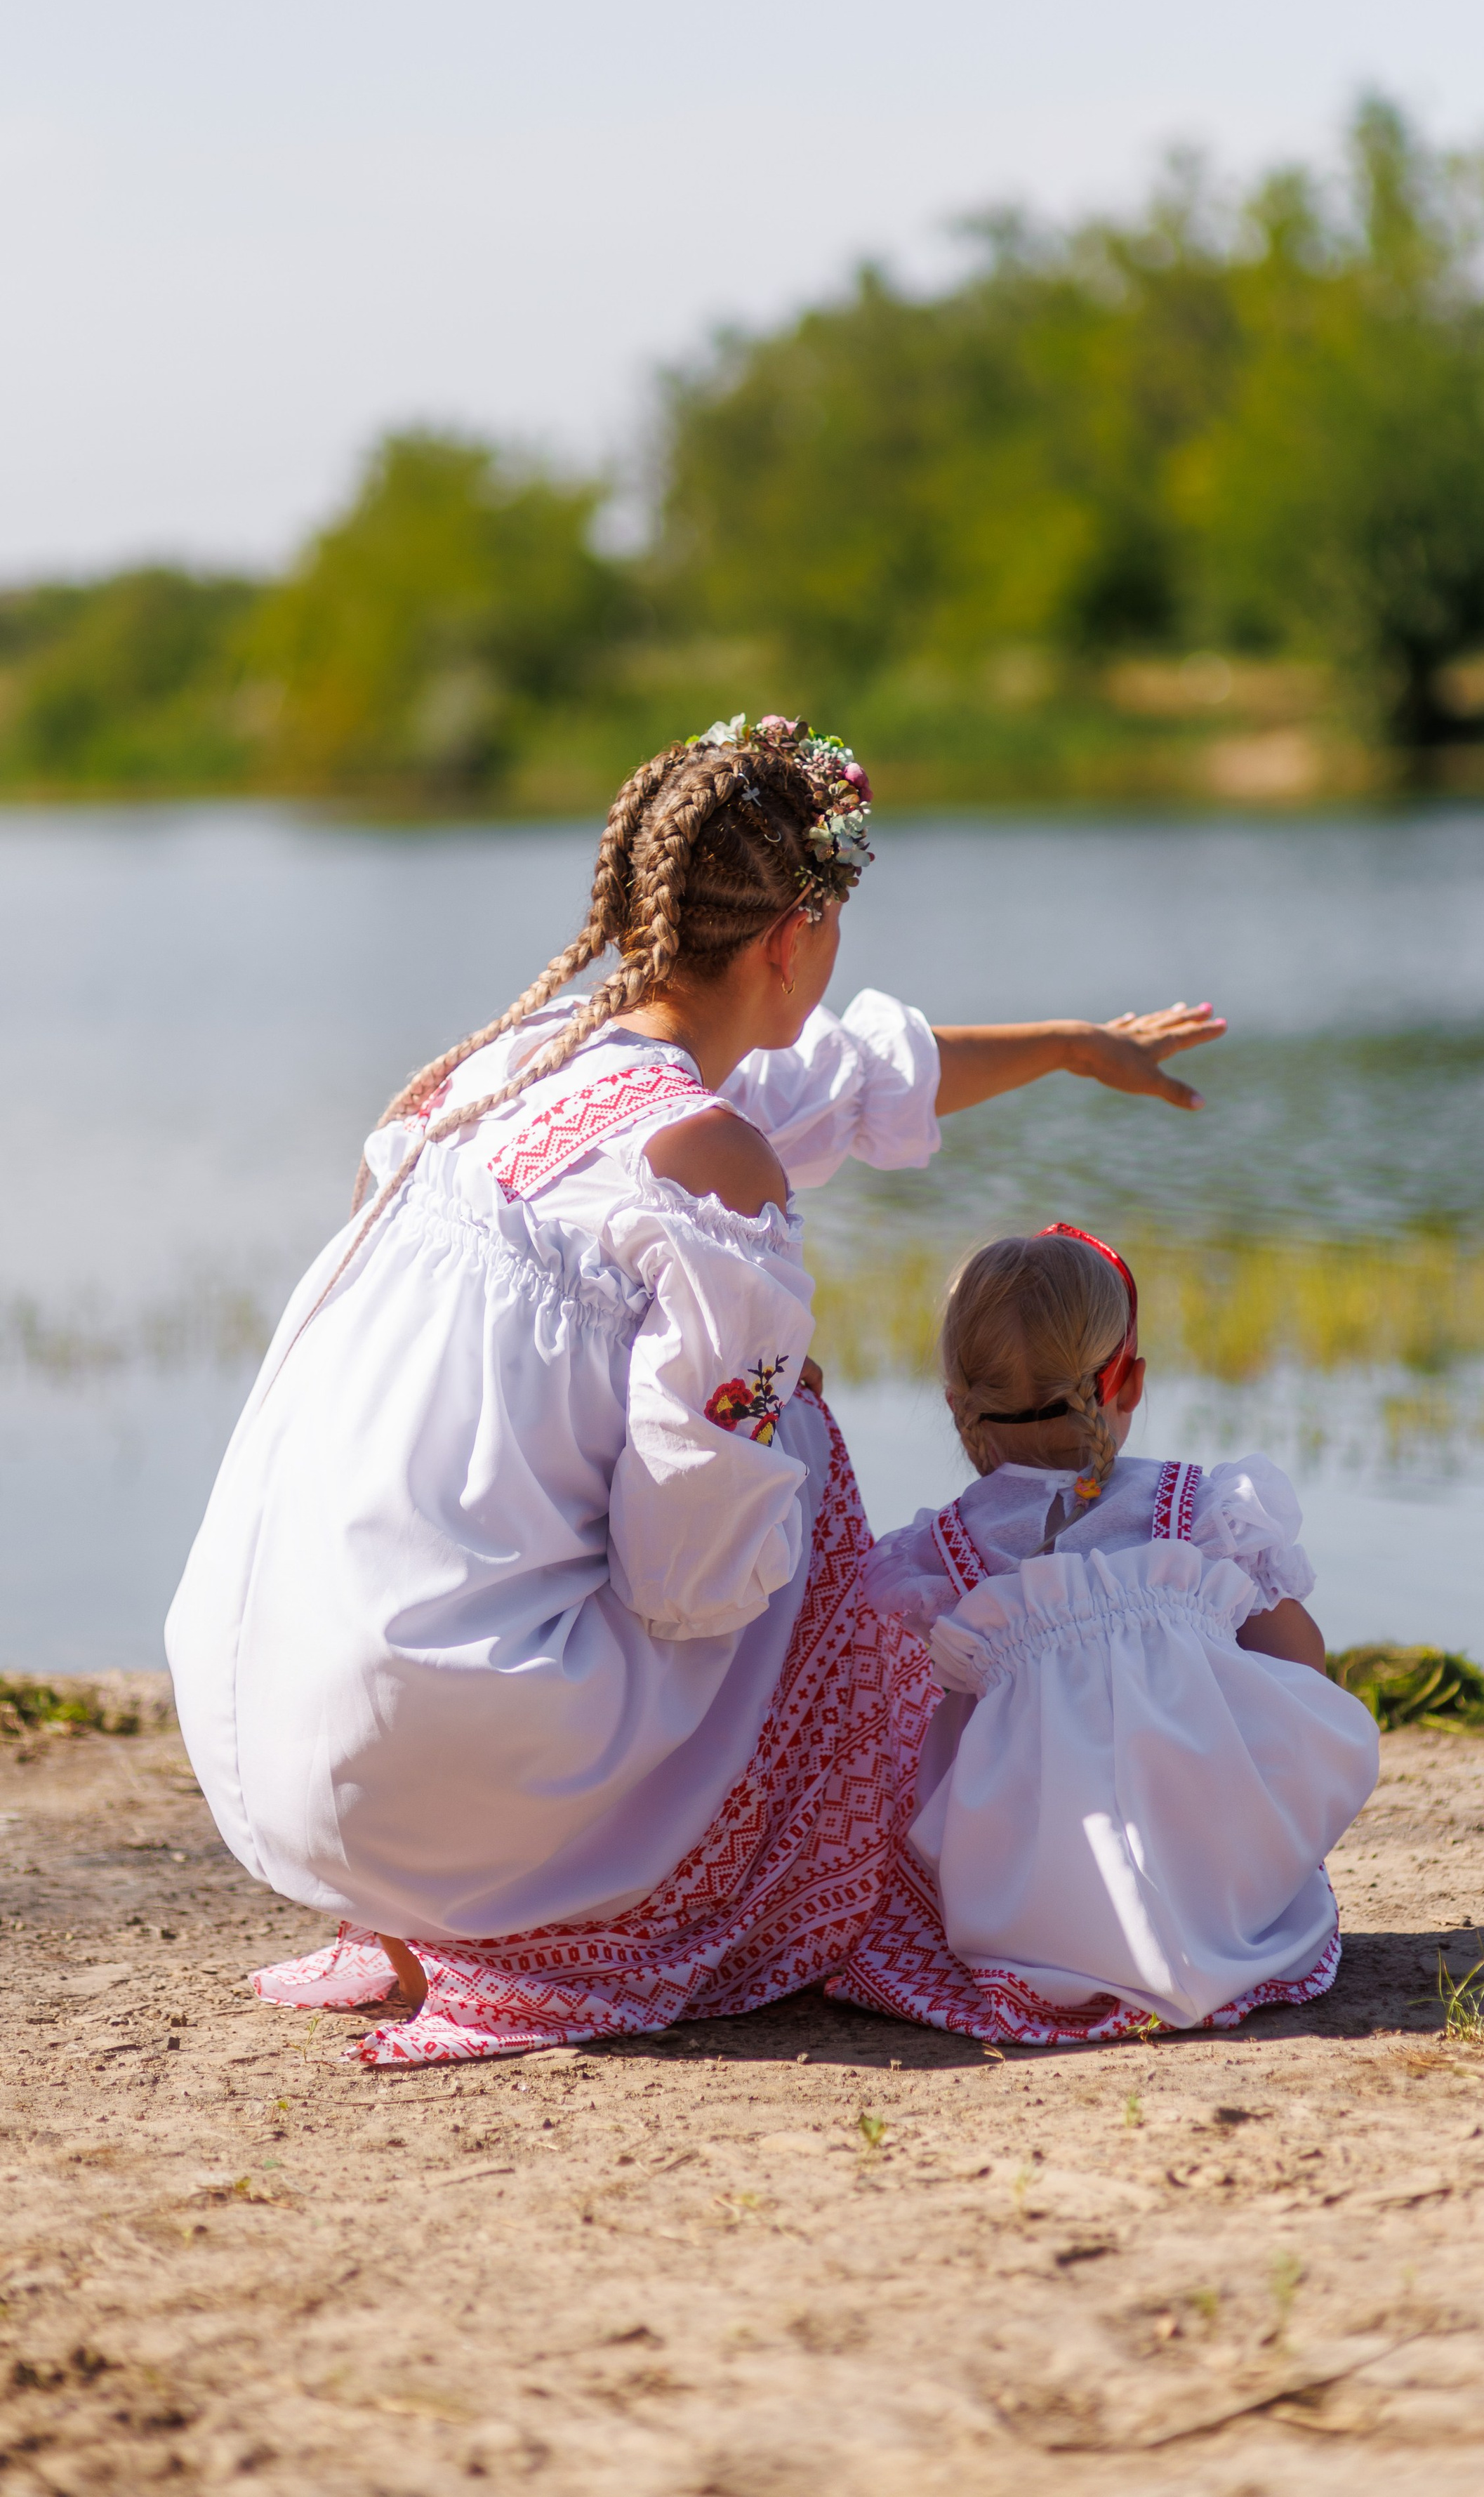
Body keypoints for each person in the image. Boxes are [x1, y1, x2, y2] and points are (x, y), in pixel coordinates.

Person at [164, 716, 1224, 2065]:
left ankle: (431, 1895)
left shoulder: (523, 1062)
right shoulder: (714, 1157)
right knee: (795, 1449)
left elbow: (840, 1082)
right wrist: (774, 1412)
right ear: (793, 943)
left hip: (272, 1747)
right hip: (447, 1768)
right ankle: (716, 1888)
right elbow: (692, 1580)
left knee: (754, 1405)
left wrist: (1075, 1045)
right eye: (834, 936)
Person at [828, 1227, 1380, 2043]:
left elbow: (906, 1726)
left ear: (957, 1404)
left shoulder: (939, 1555)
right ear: (1133, 1385)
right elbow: (1300, 1658)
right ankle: (1213, 1910)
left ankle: (1059, 1941)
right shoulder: (1196, 1509)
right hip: (1211, 1875)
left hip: (1035, 1895)